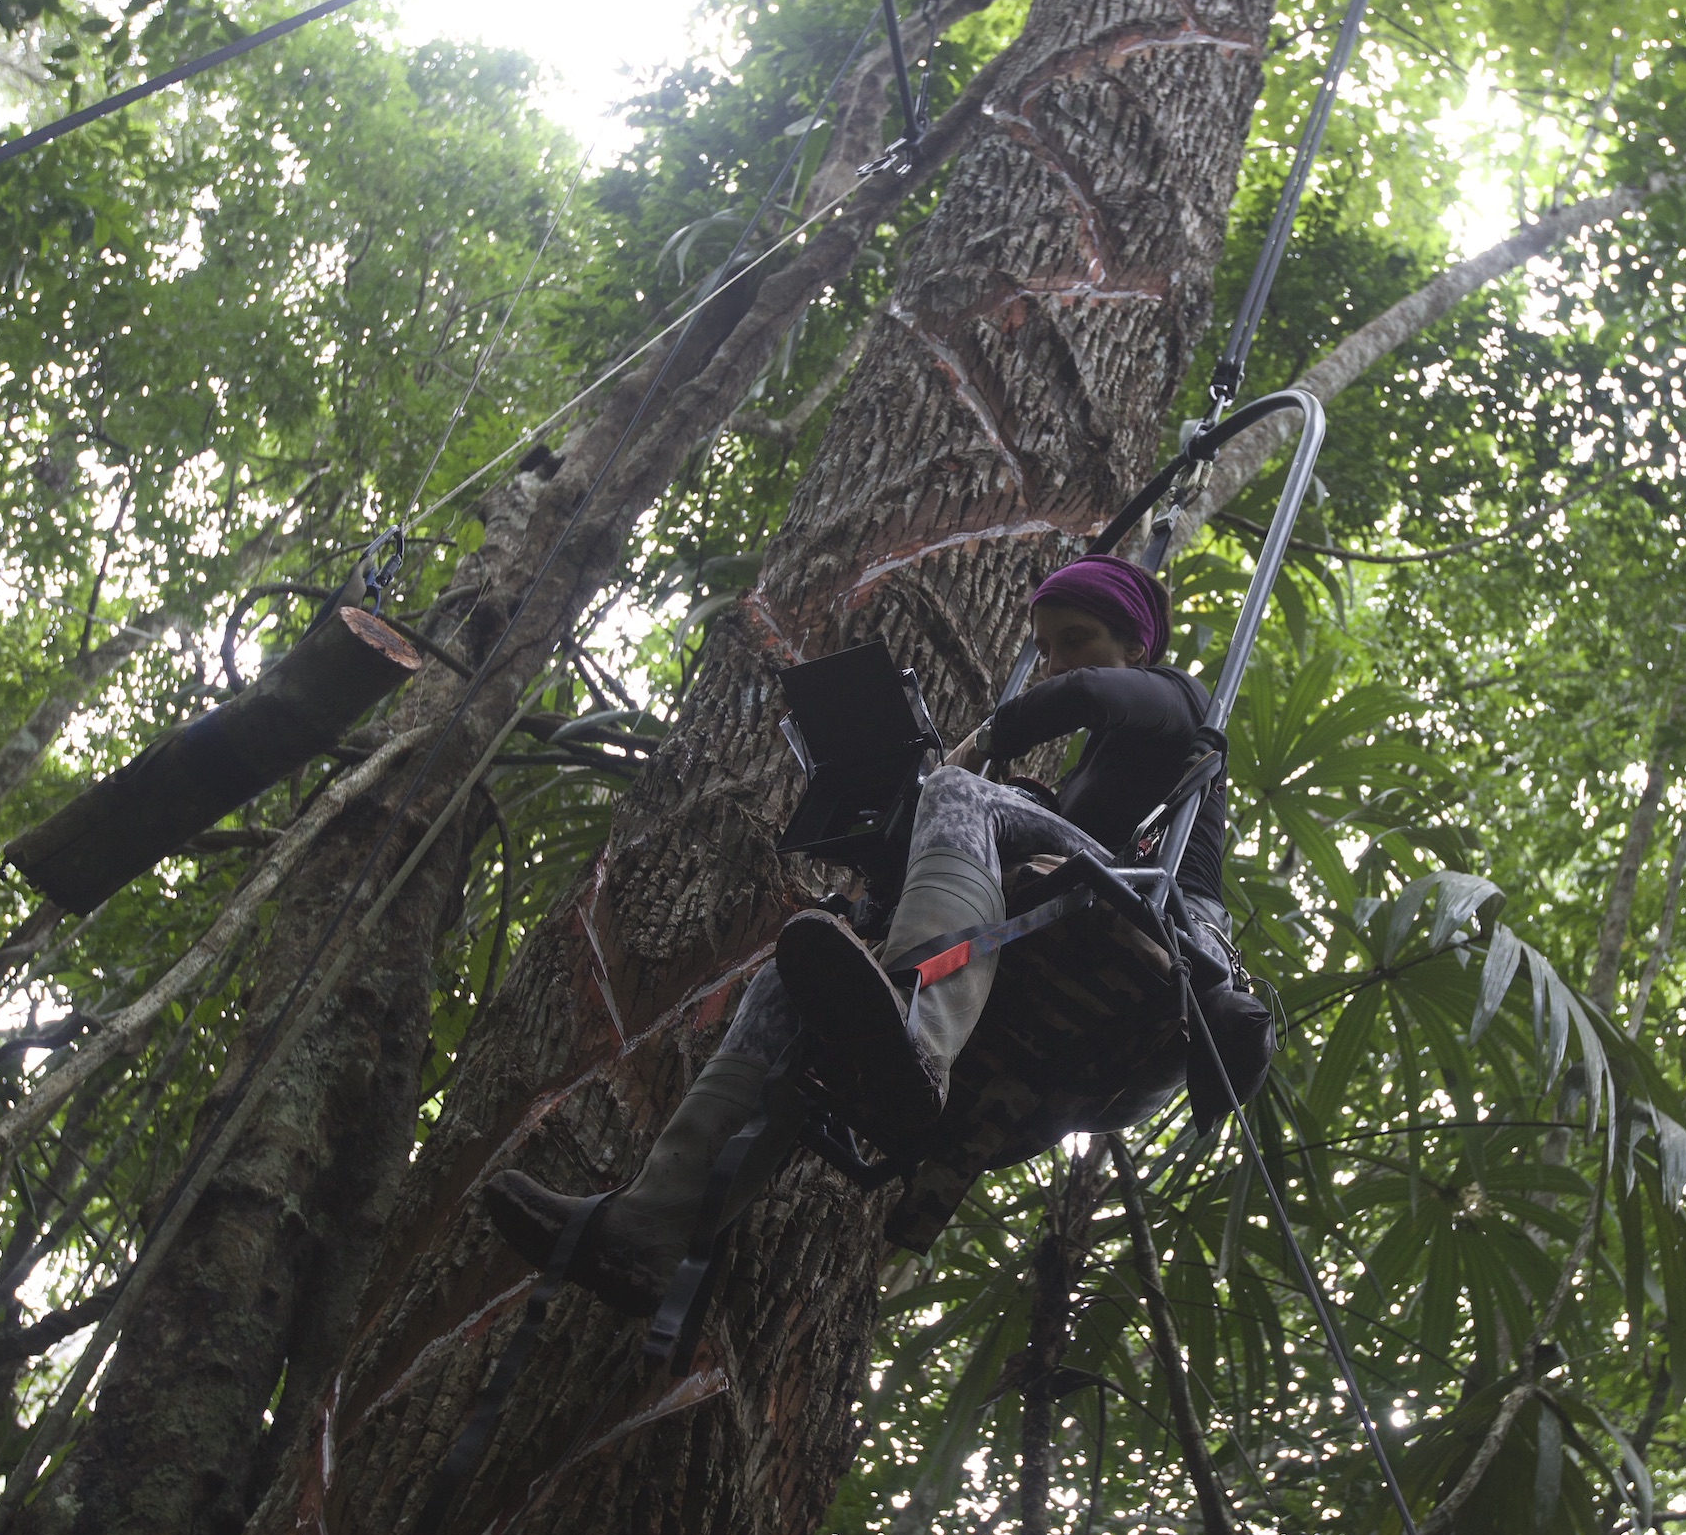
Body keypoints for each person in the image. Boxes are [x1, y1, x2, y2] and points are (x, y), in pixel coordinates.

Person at [482, 554, 1261, 1313]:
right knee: (786, 982)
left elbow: (1083, 695)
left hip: (1165, 931)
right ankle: (653, 1224)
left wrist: (979, 749)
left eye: (1076, 638)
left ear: (1136, 647)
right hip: (1074, 939)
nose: (1056, 662)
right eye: (1045, 646)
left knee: (961, 792)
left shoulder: (1178, 701)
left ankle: (919, 1025)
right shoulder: (1091, 776)